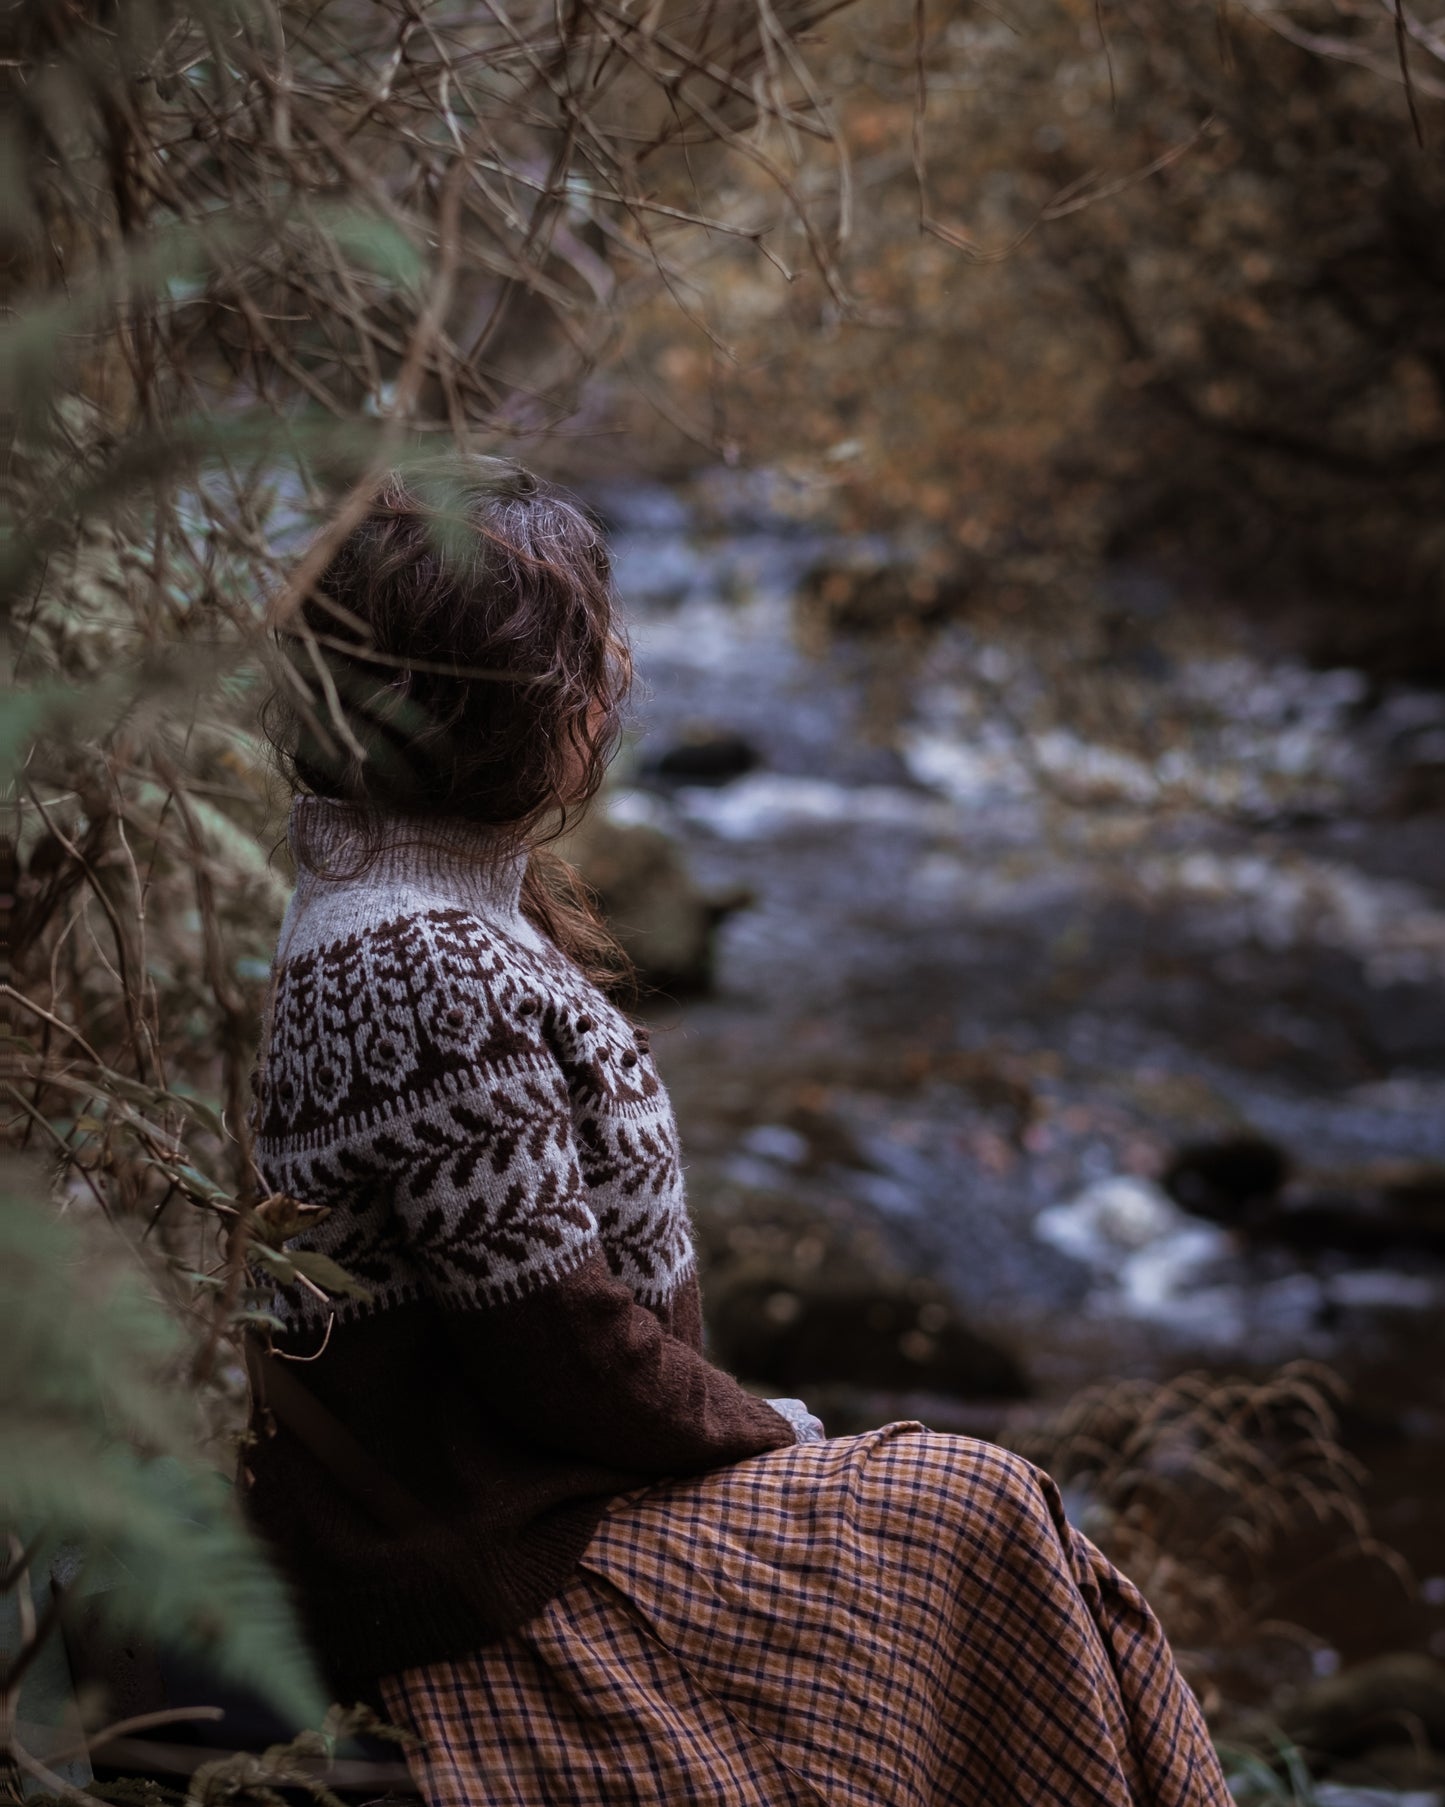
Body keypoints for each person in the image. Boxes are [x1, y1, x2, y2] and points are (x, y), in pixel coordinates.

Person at [248, 455, 1231, 1806]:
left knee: (983, 1522)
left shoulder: (414, 895)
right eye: (592, 657)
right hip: (477, 1563)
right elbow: (558, 1352)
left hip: (534, 1505)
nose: (617, 682)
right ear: (506, 710)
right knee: (974, 1508)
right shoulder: (418, 956)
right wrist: (773, 1439)